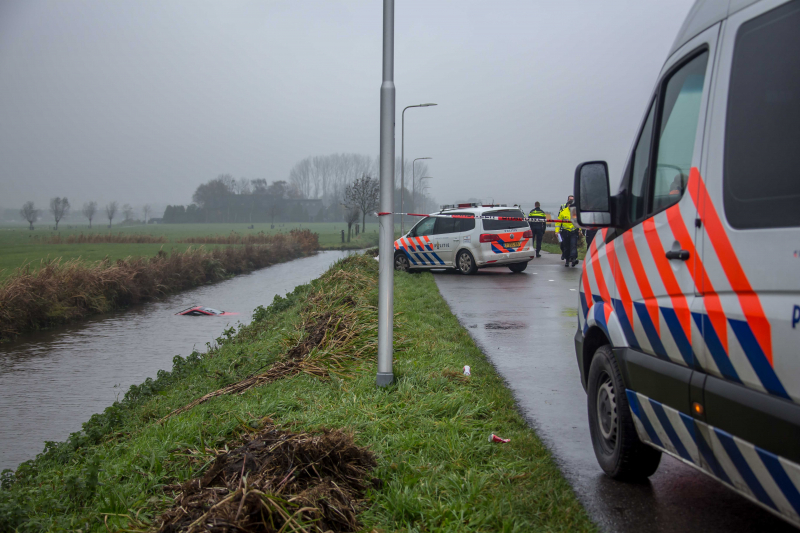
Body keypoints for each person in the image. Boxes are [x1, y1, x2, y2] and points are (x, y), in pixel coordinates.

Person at [556, 199, 579, 267]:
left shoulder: (576, 212)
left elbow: (578, 221)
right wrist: (557, 231)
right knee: (566, 247)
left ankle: (573, 259)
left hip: (573, 231)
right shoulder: (563, 212)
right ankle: (567, 260)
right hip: (565, 232)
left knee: (573, 245)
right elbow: (558, 222)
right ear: (568, 205)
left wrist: (579, 229)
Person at [557, 195, 574, 259]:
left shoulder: (575, 207)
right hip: (563, 228)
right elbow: (559, 217)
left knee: (572, 244)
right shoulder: (563, 206)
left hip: (572, 229)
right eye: (570, 199)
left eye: (572, 199)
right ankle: (564, 253)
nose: (571, 201)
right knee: (563, 244)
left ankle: (569, 256)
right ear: (567, 200)